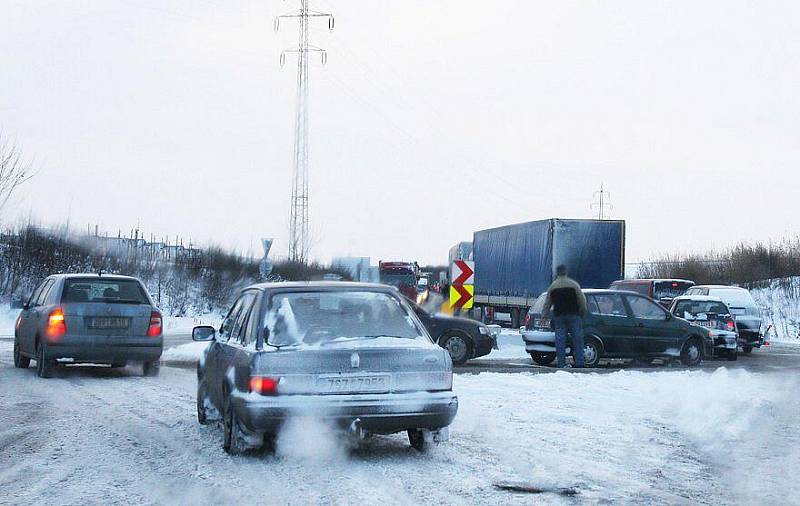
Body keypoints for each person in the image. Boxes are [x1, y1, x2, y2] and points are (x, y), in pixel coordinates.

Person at [542, 265, 588, 368]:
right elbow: (582, 300)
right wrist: (582, 312)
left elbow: (547, 303)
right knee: (577, 339)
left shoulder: (553, 286)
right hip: (574, 315)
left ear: (557, 273)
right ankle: (580, 363)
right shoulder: (574, 284)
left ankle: (561, 363)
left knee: (560, 340)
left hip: (559, 316)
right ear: (566, 272)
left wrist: (544, 316)